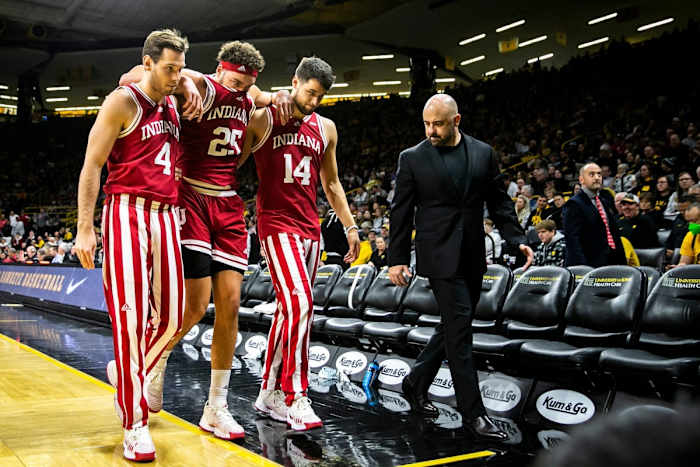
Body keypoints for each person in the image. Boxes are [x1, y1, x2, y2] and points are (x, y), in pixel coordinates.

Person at [121, 40, 293, 441]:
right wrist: (188, 83)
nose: (238, 91)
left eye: (245, 85)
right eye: (233, 81)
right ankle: (151, 359)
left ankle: (216, 407)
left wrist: (272, 94)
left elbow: (260, 103)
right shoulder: (198, 82)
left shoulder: (249, 97)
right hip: (191, 199)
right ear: (219, 69)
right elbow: (131, 77)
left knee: (230, 304)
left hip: (228, 204)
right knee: (195, 305)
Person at [387, 94, 533, 440]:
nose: (430, 130)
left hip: (471, 253)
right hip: (437, 255)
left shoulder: (483, 153)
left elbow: (498, 200)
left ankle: (415, 381)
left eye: (437, 124)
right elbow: (401, 212)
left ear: (456, 120)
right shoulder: (412, 158)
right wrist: (395, 259)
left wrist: (516, 238)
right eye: (426, 123)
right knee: (461, 330)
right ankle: (474, 414)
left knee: (455, 323)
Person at [73, 29, 189, 462]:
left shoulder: (173, 103)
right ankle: (135, 425)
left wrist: (184, 78)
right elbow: (92, 165)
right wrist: (86, 228)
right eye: (168, 68)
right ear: (147, 63)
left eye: (179, 68)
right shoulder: (123, 101)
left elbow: (187, 78)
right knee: (131, 319)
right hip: (126, 211)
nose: (175, 75)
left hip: (166, 215)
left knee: (175, 315)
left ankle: (126, 373)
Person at [241, 57, 359, 431]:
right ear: (294, 81)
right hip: (275, 224)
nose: (314, 101)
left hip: (310, 228)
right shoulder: (265, 116)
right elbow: (233, 158)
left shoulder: (326, 128)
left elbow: (332, 184)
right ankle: (296, 396)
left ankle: (267, 392)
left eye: (320, 96)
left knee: (289, 312)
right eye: (310, 93)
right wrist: (260, 96)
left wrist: (350, 226)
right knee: (300, 303)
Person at [563, 163, 626, 267]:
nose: (597, 178)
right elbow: (572, 239)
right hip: (588, 264)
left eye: (599, 174)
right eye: (591, 174)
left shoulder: (604, 201)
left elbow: (612, 233)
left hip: (610, 261)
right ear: (581, 179)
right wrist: (581, 267)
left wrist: (622, 262)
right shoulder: (573, 204)